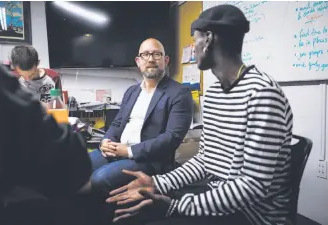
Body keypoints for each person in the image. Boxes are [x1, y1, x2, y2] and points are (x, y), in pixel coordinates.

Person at [107, 4, 293, 225]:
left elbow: (252, 185)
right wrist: (158, 183)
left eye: (195, 40)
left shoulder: (261, 93)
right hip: (216, 198)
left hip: (252, 215)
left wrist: (176, 206)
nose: (193, 48)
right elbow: (206, 160)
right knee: (137, 210)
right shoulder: (214, 93)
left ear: (209, 39)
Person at [0, 55, 107, 225]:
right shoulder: (10, 81)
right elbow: (72, 162)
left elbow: (57, 105)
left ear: (37, 65)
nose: (27, 78)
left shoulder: (51, 79)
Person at [89, 38, 193, 193]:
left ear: (166, 60)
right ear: (138, 61)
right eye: (145, 55)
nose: (150, 59)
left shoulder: (179, 93)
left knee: (100, 178)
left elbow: (172, 138)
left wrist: (129, 151)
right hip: (117, 149)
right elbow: (117, 123)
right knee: (78, 166)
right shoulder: (132, 91)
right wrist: (106, 141)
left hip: (149, 159)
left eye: (156, 54)